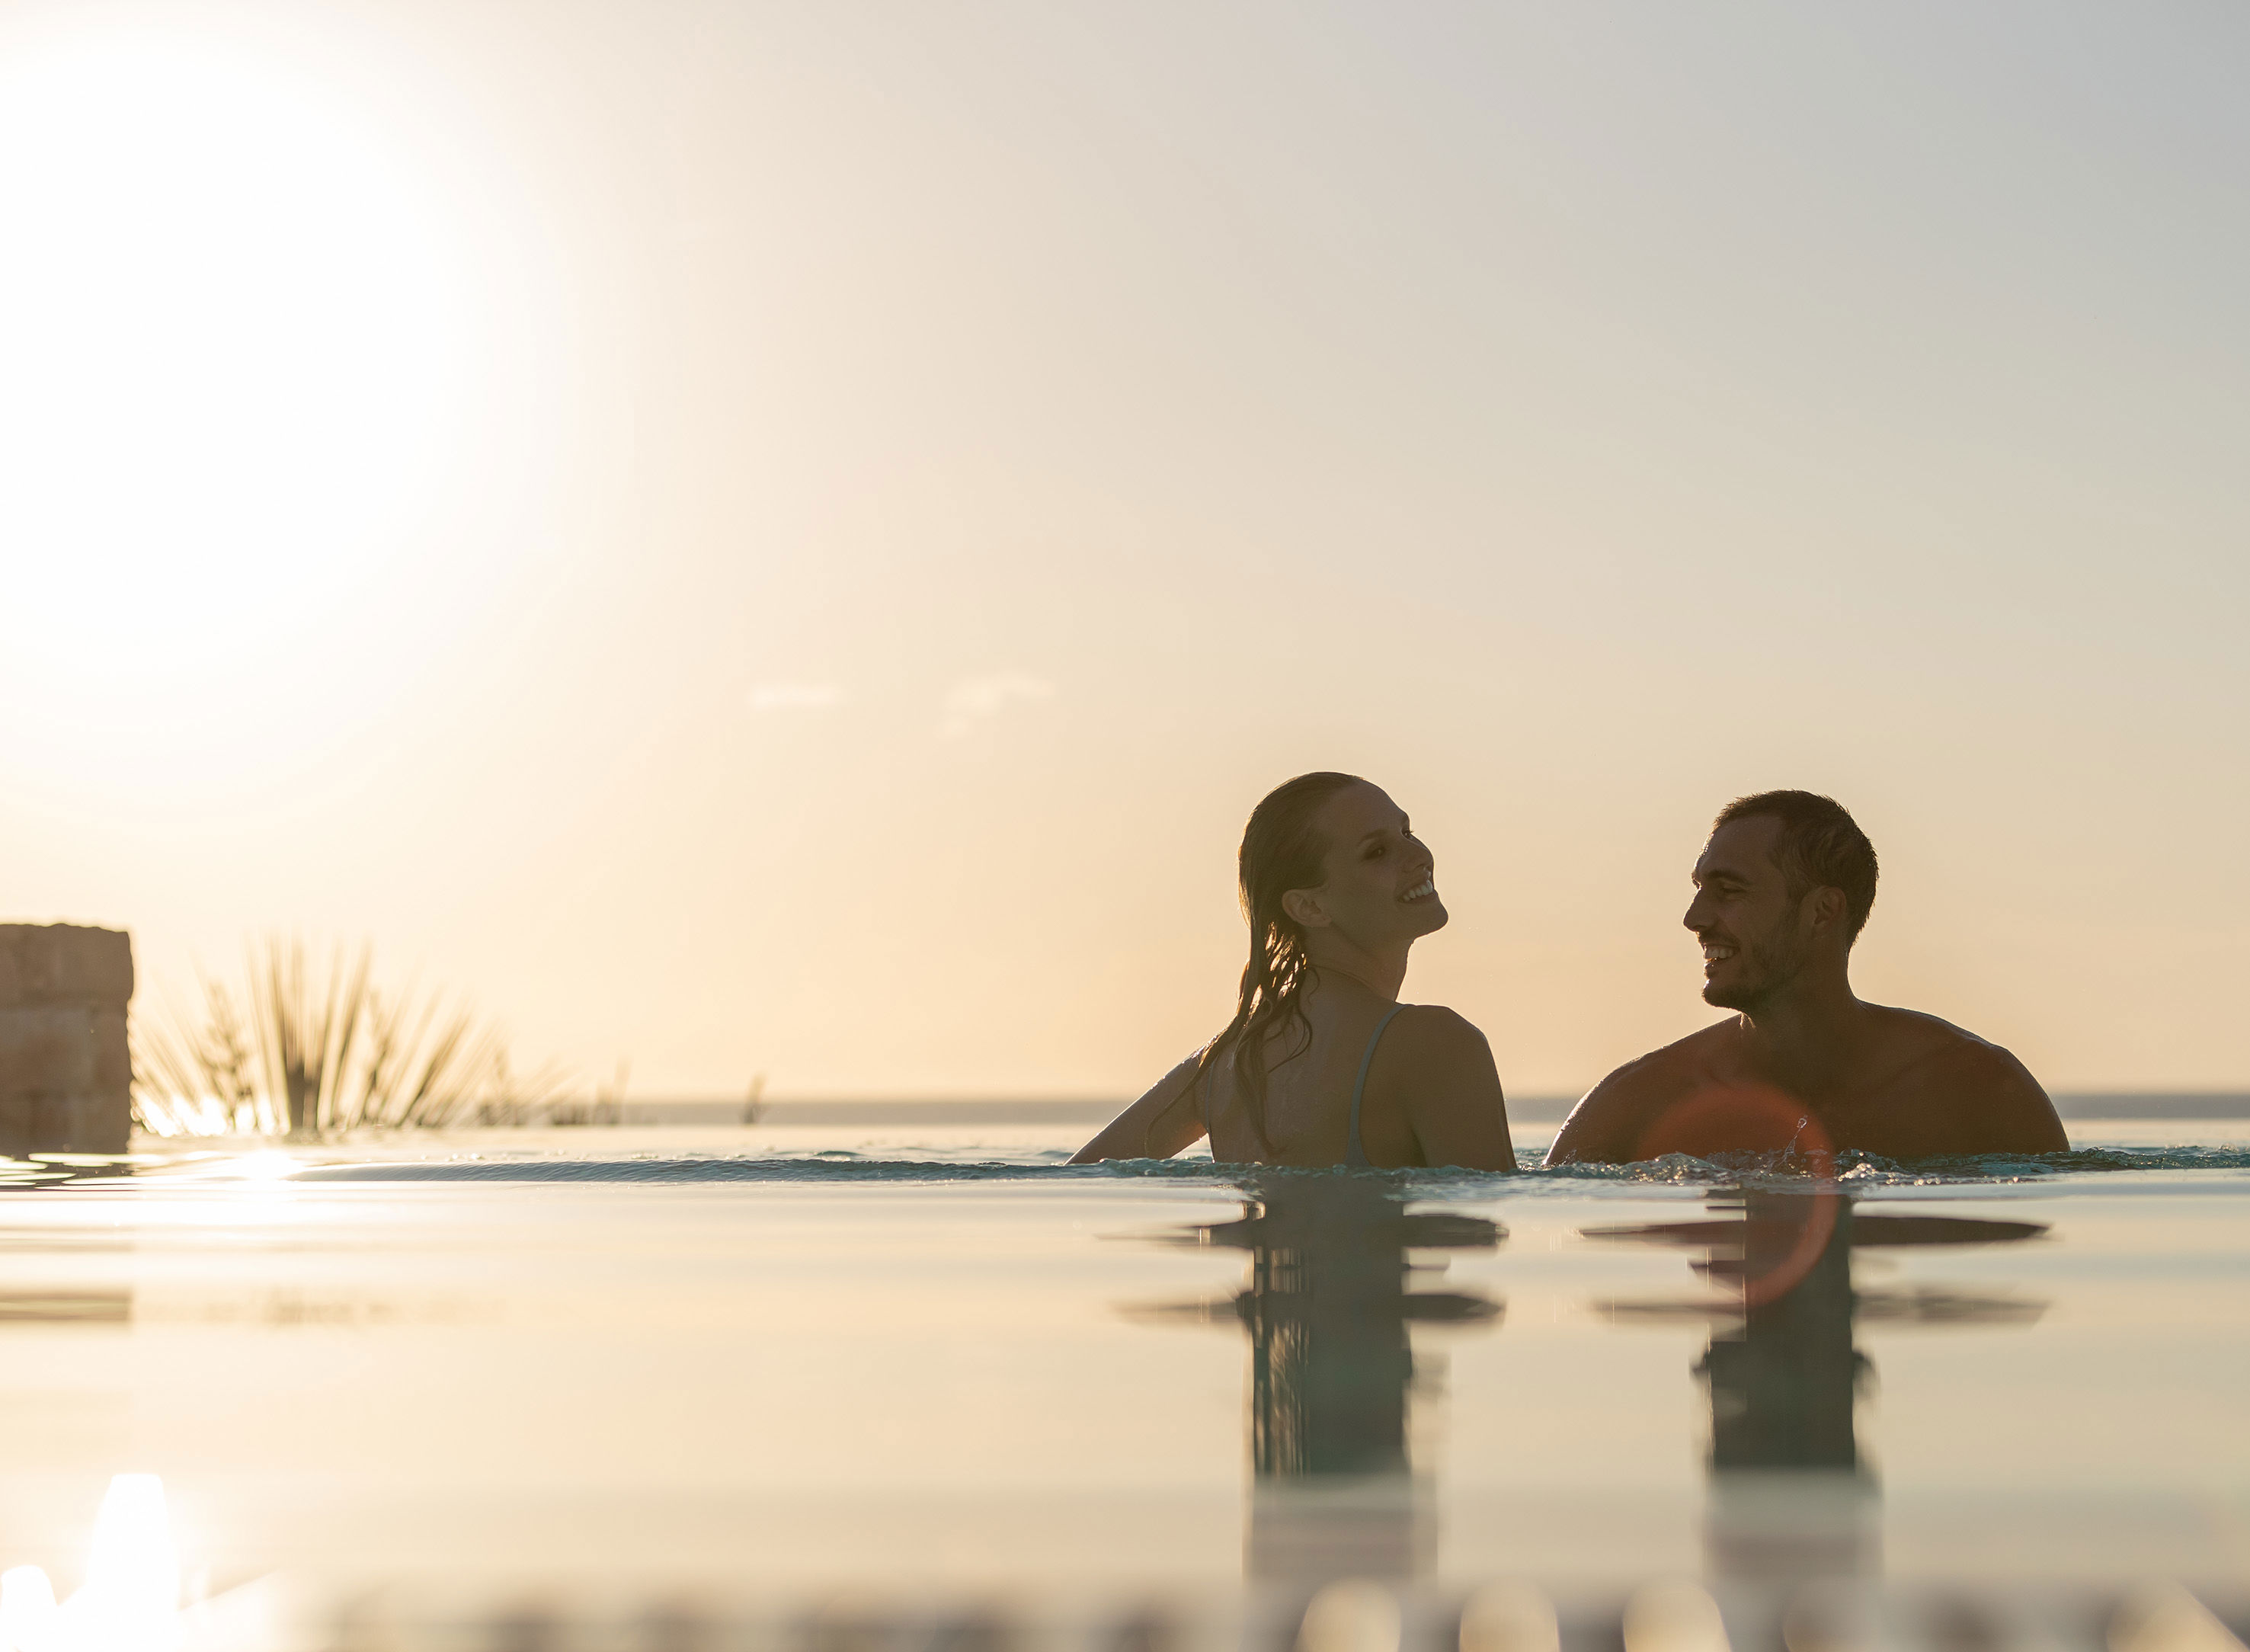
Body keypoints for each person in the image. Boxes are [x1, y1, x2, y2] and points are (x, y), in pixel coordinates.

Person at [1548, 791, 2067, 1165]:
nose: (1694, 918)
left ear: (1821, 912)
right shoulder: (1636, 1104)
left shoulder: (1979, 1091)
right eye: (1698, 888)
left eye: (1728, 891)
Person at [1071, 773, 1515, 1170]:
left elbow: (1081, 1179)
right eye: (1377, 851)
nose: (1417, 855)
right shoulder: (1435, 1042)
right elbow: (1481, 1229)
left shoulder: (1225, 1065)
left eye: (1407, 831)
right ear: (1310, 906)